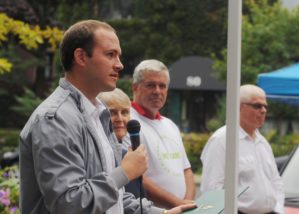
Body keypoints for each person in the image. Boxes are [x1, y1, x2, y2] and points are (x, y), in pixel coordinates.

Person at [19, 20, 196, 214]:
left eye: (119, 56)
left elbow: (114, 199)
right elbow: (68, 204)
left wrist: (160, 213)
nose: (119, 65)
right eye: (110, 55)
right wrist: (124, 173)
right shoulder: (54, 119)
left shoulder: (100, 113)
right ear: (80, 57)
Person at [200, 84, 284, 214]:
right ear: (239, 106)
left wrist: (278, 209)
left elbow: (276, 182)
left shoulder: (262, 142)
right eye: (257, 106)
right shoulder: (222, 140)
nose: (263, 110)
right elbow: (212, 190)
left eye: (265, 106)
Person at [130, 59, 196, 209]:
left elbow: (186, 169)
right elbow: (135, 176)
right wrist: (177, 204)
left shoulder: (170, 125)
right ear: (135, 87)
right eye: (151, 85)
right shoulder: (126, 122)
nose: (157, 91)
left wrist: (187, 203)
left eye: (162, 86)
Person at [98, 88, 145, 198]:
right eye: (112, 112)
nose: (120, 118)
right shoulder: (97, 154)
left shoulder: (127, 154)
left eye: (124, 112)